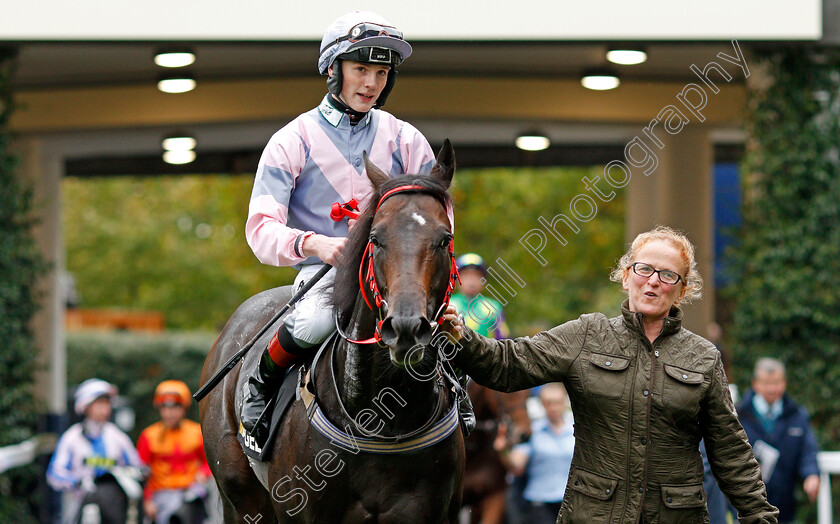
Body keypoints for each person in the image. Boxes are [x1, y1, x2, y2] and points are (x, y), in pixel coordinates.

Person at [443, 225, 779, 523]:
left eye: (667, 275)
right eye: (644, 269)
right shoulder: (588, 335)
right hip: (593, 514)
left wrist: (760, 517)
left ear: (683, 288)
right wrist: (462, 335)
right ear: (626, 274)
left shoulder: (704, 357)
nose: (653, 282)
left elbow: (731, 452)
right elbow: (510, 364)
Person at [240, 10, 437, 444]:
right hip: (326, 272)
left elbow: (438, 222)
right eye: (360, 69)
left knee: (443, 324)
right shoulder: (291, 140)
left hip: (396, 273)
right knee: (314, 322)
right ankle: (261, 387)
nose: (370, 83)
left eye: (381, 72)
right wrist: (316, 244)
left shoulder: (408, 140)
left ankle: (456, 398)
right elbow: (260, 230)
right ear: (333, 69)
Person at [47, 378, 142, 524]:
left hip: (112, 512)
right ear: (86, 407)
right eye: (100, 404)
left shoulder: (117, 436)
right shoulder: (71, 437)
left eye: (107, 404)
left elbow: (137, 467)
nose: (105, 409)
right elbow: (54, 475)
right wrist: (77, 482)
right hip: (79, 509)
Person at [736, 358, 820, 523]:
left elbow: (807, 450)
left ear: (784, 383)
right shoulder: (738, 415)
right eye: (766, 383)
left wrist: (811, 474)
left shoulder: (796, 414)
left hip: (786, 509)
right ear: (755, 384)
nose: (772, 388)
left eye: (776, 382)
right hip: (746, 509)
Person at [494, 383, 574, 524]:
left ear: (564, 402)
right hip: (540, 502)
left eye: (557, 402)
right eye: (549, 403)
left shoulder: (575, 432)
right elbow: (517, 465)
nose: (553, 407)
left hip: (569, 503)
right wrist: (503, 450)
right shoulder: (534, 431)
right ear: (543, 404)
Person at [136, 380, 212, 524]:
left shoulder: (197, 432)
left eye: (175, 407)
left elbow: (209, 462)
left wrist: (203, 473)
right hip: (161, 497)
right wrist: (146, 501)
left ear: (184, 407)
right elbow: (141, 473)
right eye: (165, 407)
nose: (170, 413)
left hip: (190, 495)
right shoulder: (148, 436)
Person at [450, 253, 510, 339]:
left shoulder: (493, 307)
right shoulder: (448, 304)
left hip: (485, 351)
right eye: (466, 274)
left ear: (484, 280)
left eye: (476, 275)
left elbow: (503, 340)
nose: (471, 280)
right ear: (456, 279)